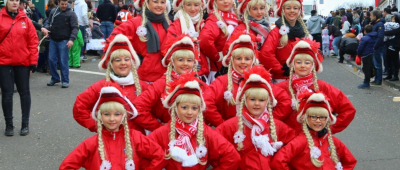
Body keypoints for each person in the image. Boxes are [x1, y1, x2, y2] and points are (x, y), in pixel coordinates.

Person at [147, 72, 241, 169]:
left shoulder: (207, 133)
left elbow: (232, 157)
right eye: (184, 107)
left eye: (194, 108)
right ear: (175, 108)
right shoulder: (162, 133)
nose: (189, 112)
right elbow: (143, 156)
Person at [60, 86, 165, 169]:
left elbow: (159, 156)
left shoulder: (136, 137)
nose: (112, 119)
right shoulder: (91, 143)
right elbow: (67, 166)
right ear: (100, 116)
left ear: (124, 116)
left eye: (117, 114)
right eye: (106, 114)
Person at [215, 66, 296, 169]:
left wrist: (279, 161)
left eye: (261, 100)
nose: (257, 104)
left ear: (267, 102)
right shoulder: (231, 125)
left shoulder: (276, 125)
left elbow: (295, 145)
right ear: (244, 100)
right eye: (252, 99)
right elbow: (213, 146)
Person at [203, 33, 292, 127]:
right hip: (232, 134)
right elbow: (206, 103)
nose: (243, 62)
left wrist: (268, 122)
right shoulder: (222, 81)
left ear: (253, 61)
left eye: (247, 58)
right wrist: (223, 125)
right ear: (232, 60)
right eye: (238, 58)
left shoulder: (259, 81)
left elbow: (285, 101)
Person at [73, 34, 153, 133]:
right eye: (118, 60)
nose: (123, 63)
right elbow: (79, 107)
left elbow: (158, 112)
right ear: (111, 64)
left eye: (126, 59)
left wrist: (156, 127)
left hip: (138, 142)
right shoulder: (100, 87)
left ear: (132, 63)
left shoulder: (144, 87)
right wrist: (97, 126)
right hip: (109, 142)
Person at [276, 39, 356, 135]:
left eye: (307, 62)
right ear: (292, 64)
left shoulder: (322, 87)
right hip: (288, 142)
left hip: (315, 143)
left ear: (313, 65)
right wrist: (279, 132)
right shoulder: (280, 88)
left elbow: (348, 110)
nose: (302, 66)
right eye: (298, 62)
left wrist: (328, 129)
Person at [271, 92, 357, 170]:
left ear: (327, 119)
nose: (318, 120)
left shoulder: (334, 142)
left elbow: (350, 162)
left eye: (322, 117)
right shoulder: (299, 142)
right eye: (313, 117)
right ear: (305, 118)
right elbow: (278, 162)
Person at [134, 35, 202, 130]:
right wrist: (159, 128)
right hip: (167, 136)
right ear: (172, 62)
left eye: (189, 60)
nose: (185, 63)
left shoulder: (199, 85)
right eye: (180, 60)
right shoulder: (161, 84)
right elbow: (138, 107)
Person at [106, 0, 171, 83]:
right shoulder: (135, 23)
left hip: (165, 78)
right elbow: (112, 40)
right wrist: (133, 58)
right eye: (155, 1)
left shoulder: (169, 24)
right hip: (142, 78)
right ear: (146, 3)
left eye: (162, 2)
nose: (159, 5)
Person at [0, 0, 38, 136]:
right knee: (7, 94)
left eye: (17, 0)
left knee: (24, 93)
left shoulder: (25, 20)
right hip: (4, 63)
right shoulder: (0, 17)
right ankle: (9, 125)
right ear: (6, 2)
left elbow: (33, 41)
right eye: (12, 0)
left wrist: (33, 61)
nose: (15, 2)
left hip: (22, 62)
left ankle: (25, 124)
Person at [259, 0, 310, 83]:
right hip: (282, 79)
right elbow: (265, 54)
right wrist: (281, 69)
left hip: (301, 77)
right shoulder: (276, 31)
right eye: (288, 8)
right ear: (283, 11)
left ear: (299, 11)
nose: (292, 10)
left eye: (295, 8)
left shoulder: (303, 31)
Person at [165, 0, 208, 80]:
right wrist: (192, 62)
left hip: (202, 73)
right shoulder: (176, 25)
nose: (192, 8)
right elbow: (167, 50)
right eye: (188, 4)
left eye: (196, 5)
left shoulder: (203, 24)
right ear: (182, 5)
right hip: (182, 75)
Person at [198, 0, 239, 83]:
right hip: (218, 71)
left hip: (230, 69)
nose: (226, 2)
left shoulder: (233, 18)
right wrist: (217, 56)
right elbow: (204, 39)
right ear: (214, 3)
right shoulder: (214, 19)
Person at [41, 0, 78, 88]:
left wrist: (71, 40)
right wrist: (45, 28)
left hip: (64, 40)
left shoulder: (71, 13)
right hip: (53, 39)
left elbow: (75, 28)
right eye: (62, 4)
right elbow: (48, 22)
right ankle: (55, 78)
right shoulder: (53, 11)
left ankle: (65, 80)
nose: (64, 6)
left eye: (65, 4)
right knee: (51, 59)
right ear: (58, 3)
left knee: (63, 61)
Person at [370, 10, 386, 86]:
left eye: (371, 16)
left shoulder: (379, 24)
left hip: (377, 47)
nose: (370, 17)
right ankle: (376, 79)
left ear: (375, 16)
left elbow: (380, 36)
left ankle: (378, 80)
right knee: (375, 64)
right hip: (375, 46)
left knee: (378, 64)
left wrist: (375, 45)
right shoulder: (375, 24)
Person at [384, 15, 400, 81]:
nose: (393, 21)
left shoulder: (398, 26)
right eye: (392, 19)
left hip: (396, 45)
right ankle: (389, 74)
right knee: (388, 59)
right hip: (389, 44)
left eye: (394, 19)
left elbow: (392, 32)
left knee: (395, 60)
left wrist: (384, 32)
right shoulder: (390, 26)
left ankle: (395, 76)